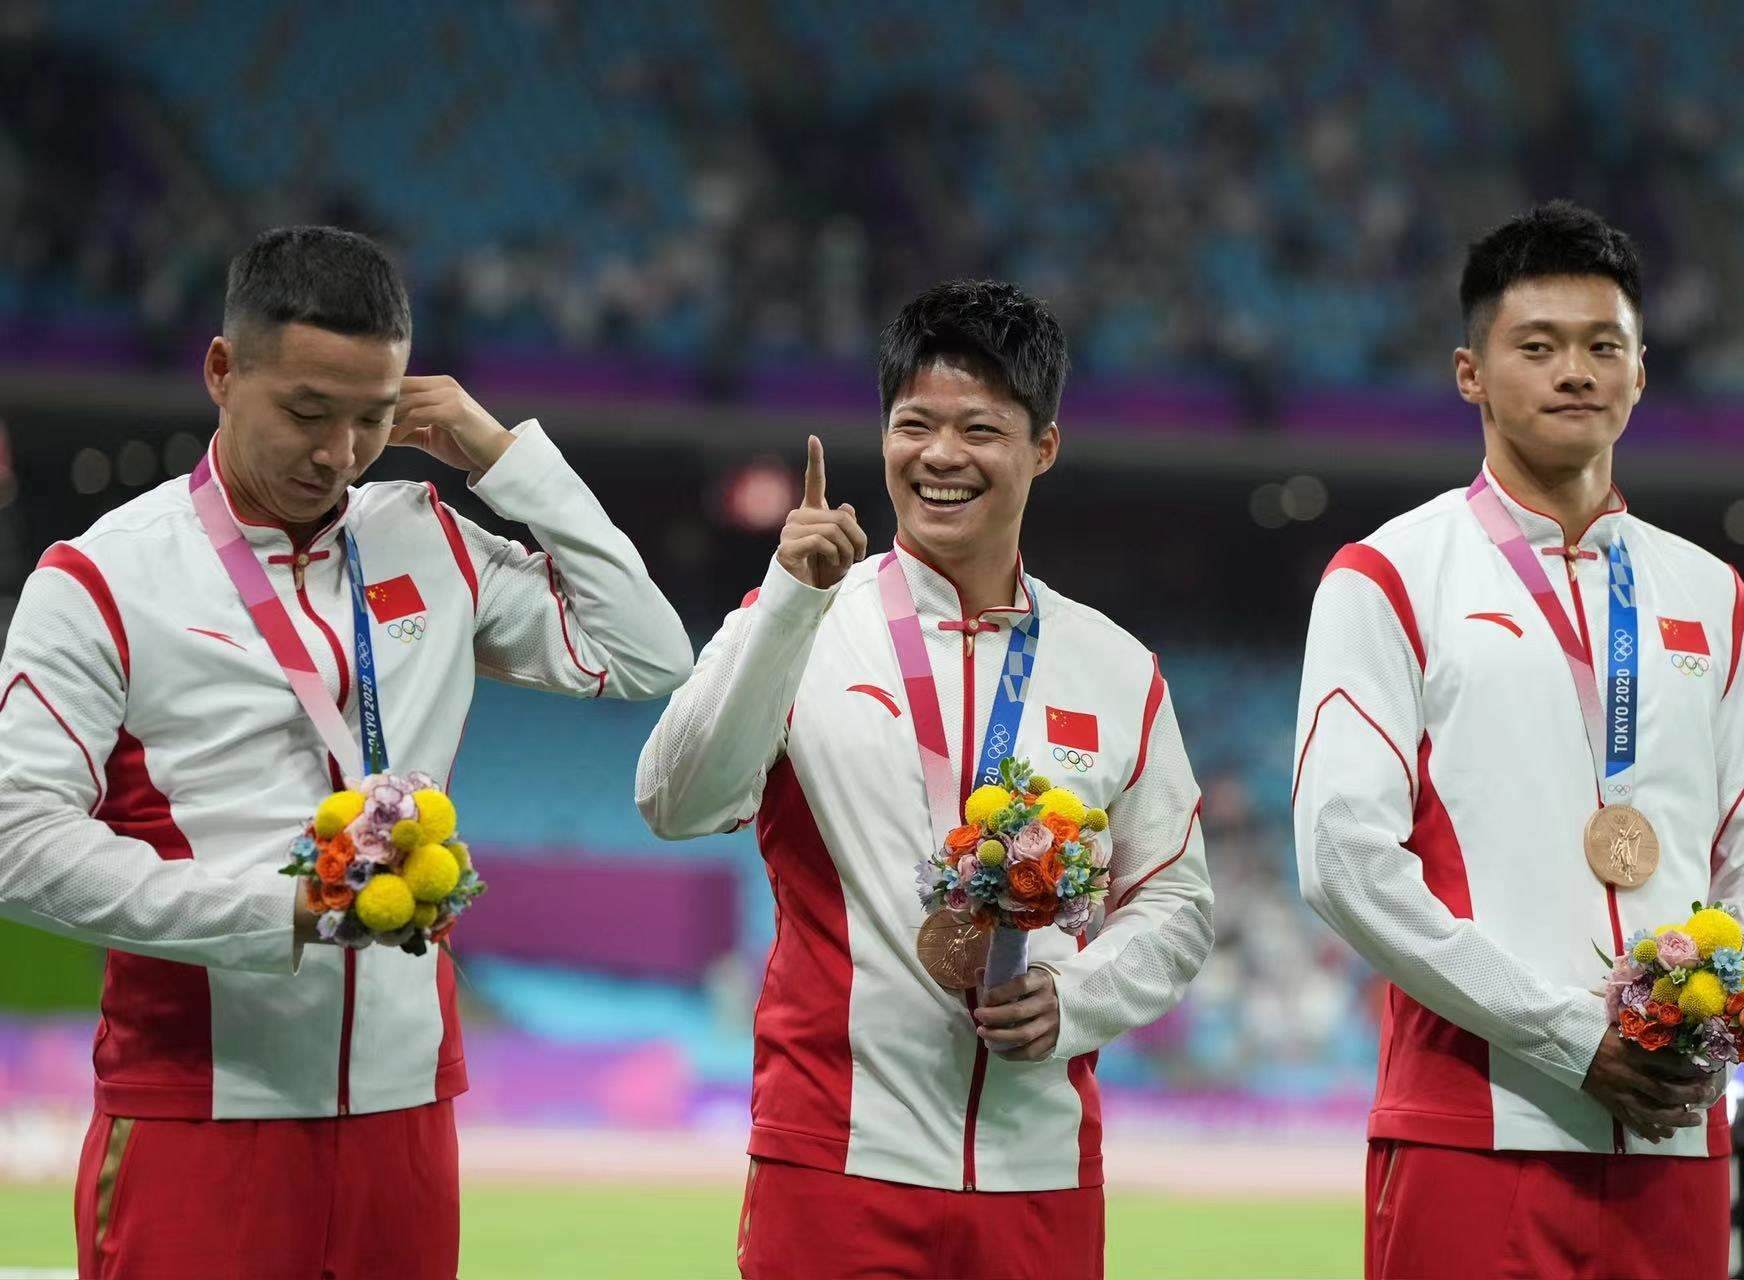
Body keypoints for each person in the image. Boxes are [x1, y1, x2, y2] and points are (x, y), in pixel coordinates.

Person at [0, 225, 694, 1279]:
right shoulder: (99, 579)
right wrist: (275, 911)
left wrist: (505, 459)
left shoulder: (430, 537)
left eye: (372, 418)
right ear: (222, 371)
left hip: (405, 1114)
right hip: (200, 1110)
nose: (339, 453)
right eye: (307, 412)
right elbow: (17, 841)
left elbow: (647, 652)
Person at [636, 279, 1213, 1280]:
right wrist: (787, 603)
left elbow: (1176, 900)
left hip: (1041, 1174)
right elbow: (674, 801)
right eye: (915, 425)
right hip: (834, 1157)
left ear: (1043, 447)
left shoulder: (1116, 668)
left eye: (980, 428)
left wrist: (1076, 997)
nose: (942, 455)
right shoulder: (803, 619)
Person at [1291, 201, 1744, 1279]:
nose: (1575, 371)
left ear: (1641, 374)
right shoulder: (1388, 576)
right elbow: (1342, 856)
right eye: (1537, 346)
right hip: (1472, 1129)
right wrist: (1569, 1036)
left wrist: (1710, 1018)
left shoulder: (1709, 595)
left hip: (1672, 1136)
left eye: (1603, 346)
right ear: (1471, 374)